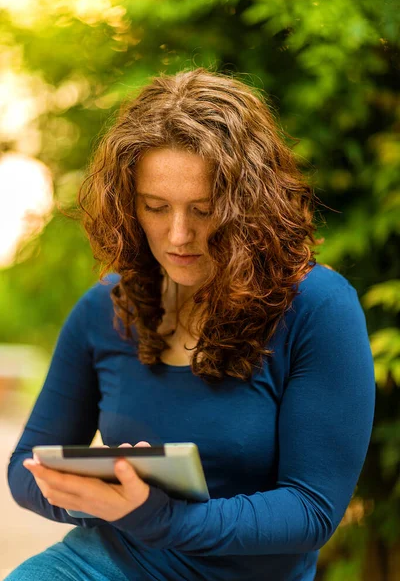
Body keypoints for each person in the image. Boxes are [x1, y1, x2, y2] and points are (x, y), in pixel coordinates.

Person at [6, 67, 375, 581]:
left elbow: (311, 511)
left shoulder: (318, 308)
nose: (179, 235)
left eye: (204, 210)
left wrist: (157, 517)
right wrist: (97, 498)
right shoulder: (104, 308)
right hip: (102, 563)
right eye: (155, 207)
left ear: (250, 207)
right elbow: (24, 468)